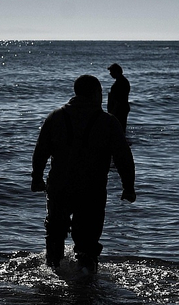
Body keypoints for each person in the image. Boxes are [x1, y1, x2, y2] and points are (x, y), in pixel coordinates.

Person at [31, 74, 136, 274]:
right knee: (87, 246)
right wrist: (128, 187)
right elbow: (124, 158)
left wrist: (36, 178)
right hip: (92, 190)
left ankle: (50, 283)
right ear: (97, 93)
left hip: (59, 187)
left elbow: (40, 151)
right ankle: (86, 286)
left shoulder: (56, 116)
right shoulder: (108, 122)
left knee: (55, 234)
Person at [107, 63, 131, 132]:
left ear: (116, 72)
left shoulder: (120, 83)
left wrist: (113, 111)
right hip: (121, 108)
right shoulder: (122, 81)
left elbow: (119, 99)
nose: (110, 74)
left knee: (118, 128)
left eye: (112, 72)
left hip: (119, 109)